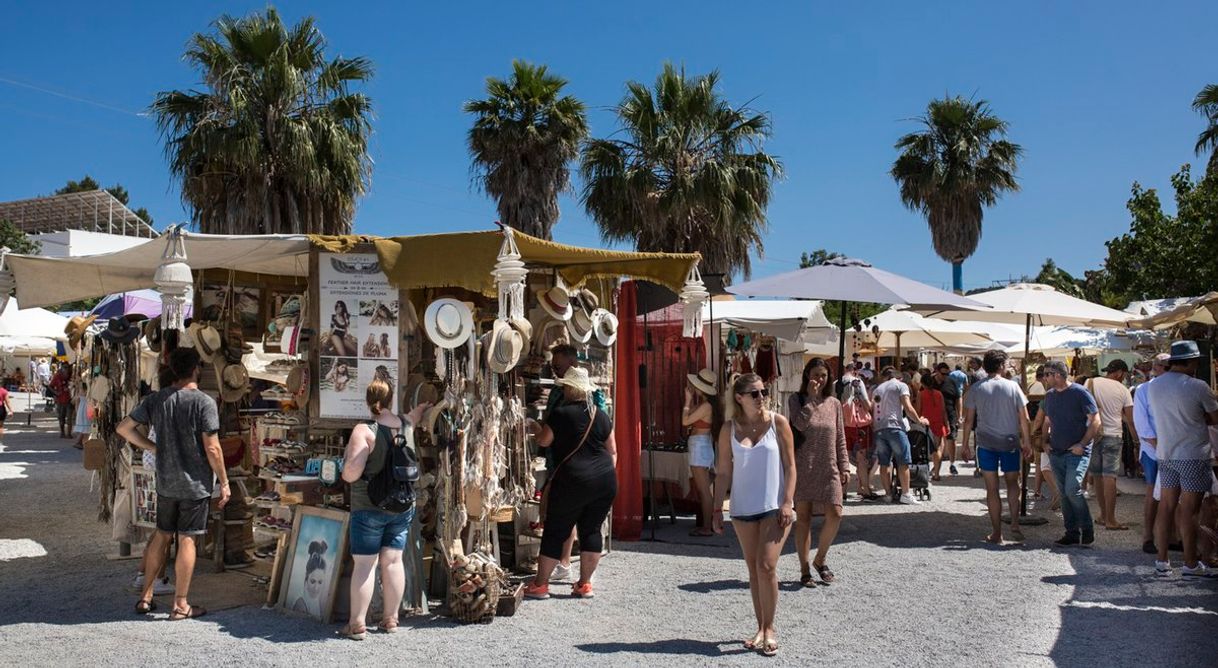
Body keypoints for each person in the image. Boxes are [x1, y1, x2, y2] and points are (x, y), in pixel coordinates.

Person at [116, 347, 228, 620]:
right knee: (187, 538)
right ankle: (180, 604)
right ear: (196, 369)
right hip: (194, 483)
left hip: (166, 480)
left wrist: (153, 447)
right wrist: (224, 481)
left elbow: (123, 428)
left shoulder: (156, 399)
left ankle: (146, 596)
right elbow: (212, 448)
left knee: (162, 534)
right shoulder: (204, 402)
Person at [711, 373, 797, 657]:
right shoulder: (728, 428)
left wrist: (788, 501)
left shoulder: (778, 422)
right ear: (739, 397)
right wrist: (714, 509)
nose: (762, 397)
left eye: (764, 391)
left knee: (767, 566)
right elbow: (723, 472)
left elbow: (791, 466)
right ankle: (760, 627)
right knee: (753, 569)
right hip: (742, 507)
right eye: (755, 393)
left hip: (775, 506)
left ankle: (770, 629)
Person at [339, 378, 429, 638]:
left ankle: (357, 624)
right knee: (392, 561)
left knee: (365, 564)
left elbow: (351, 474)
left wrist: (341, 466)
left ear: (368, 401)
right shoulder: (406, 426)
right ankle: (390, 619)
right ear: (391, 400)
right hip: (401, 506)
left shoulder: (364, 430)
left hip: (368, 507)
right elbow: (413, 416)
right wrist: (423, 407)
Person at [525, 367, 618, 600]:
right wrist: (601, 474)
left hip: (572, 479)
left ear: (569, 388)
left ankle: (541, 585)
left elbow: (545, 441)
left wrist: (536, 428)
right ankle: (585, 584)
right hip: (604, 478)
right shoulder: (600, 414)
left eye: (564, 386)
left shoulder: (561, 413)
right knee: (592, 530)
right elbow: (613, 451)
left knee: (556, 529)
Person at [1145, 341, 1218, 578]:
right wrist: (1200, 418)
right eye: (1196, 360)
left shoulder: (1154, 386)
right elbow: (1215, 417)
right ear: (1189, 361)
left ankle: (1162, 560)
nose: (1198, 364)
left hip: (1166, 453)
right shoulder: (1198, 386)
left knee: (1166, 507)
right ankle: (1190, 563)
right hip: (1193, 454)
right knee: (1190, 511)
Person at [961, 351, 1033, 544]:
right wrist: (1027, 442)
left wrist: (966, 444)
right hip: (1009, 441)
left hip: (985, 443)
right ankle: (1015, 524)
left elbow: (968, 420)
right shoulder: (1013, 387)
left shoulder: (976, 388)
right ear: (1001, 365)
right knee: (1012, 484)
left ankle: (996, 533)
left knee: (991, 489)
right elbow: (1024, 418)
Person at [788, 359, 849, 587]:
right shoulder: (796, 400)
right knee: (803, 518)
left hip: (829, 466)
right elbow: (798, 425)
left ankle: (820, 559)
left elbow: (840, 438)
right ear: (806, 375)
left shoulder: (834, 403)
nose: (820, 380)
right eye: (815, 375)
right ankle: (804, 568)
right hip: (804, 465)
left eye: (823, 375)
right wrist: (811, 400)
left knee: (836, 513)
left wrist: (844, 465)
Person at [1035, 360, 1100, 547]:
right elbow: (1047, 421)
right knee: (1064, 493)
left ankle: (1087, 528)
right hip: (1056, 451)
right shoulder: (1049, 396)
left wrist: (1082, 444)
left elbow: (1095, 421)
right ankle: (1071, 532)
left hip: (1077, 451)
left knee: (1072, 489)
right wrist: (1045, 442)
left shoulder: (1080, 393)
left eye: (1047, 374)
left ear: (1057, 375)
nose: (1044, 377)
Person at [1085, 360, 1138, 531]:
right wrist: (1137, 442)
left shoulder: (1091, 382)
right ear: (1120, 373)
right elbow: (1130, 420)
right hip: (1114, 435)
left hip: (1094, 434)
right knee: (1110, 477)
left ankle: (1102, 514)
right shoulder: (1123, 390)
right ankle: (1111, 519)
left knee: (1097, 476)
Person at [872, 367, 930, 505]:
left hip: (879, 429)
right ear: (900, 377)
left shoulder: (877, 389)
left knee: (884, 463)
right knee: (903, 462)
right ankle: (905, 494)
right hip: (895, 427)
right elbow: (908, 407)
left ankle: (887, 494)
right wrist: (919, 421)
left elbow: (873, 409)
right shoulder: (901, 386)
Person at [1133, 353, 1172, 554]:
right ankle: (1148, 536)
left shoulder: (1177, 387)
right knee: (1153, 492)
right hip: (1153, 449)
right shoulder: (1143, 390)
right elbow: (1142, 423)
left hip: (1175, 448)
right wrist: (1157, 445)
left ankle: (1172, 536)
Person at [683, 369, 722, 537]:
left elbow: (685, 421)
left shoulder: (706, 406)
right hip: (701, 445)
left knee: (704, 491)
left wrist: (687, 401)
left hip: (699, 446)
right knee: (705, 490)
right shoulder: (707, 404)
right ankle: (709, 524)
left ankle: (707, 527)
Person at [841, 368, 878, 500]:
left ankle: (843, 491)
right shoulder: (857, 382)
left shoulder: (836, 383)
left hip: (844, 425)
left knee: (843, 458)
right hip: (860, 425)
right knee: (862, 458)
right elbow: (867, 405)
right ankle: (865, 489)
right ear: (854, 371)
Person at [935, 363, 964, 476]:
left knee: (951, 438)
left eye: (947, 373)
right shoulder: (930, 382)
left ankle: (952, 463)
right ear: (936, 371)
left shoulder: (951, 382)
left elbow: (958, 398)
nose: (945, 376)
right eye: (943, 374)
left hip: (950, 413)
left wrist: (960, 414)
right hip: (935, 415)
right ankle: (937, 464)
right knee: (937, 441)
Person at [920, 373, 949, 482]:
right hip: (939, 423)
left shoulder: (921, 394)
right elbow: (943, 410)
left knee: (931, 450)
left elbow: (918, 410)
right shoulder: (939, 394)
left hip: (926, 424)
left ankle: (931, 472)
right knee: (939, 448)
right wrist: (947, 424)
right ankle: (937, 473)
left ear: (923, 383)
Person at [293, 540, 329, 618]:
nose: (316, 588)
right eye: (312, 581)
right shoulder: (301, 604)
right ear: (306, 579)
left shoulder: (317, 604)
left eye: (320, 582)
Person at [50, 363, 72, 439]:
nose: (66, 369)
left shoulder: (71, 375)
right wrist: (56, 393)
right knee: (61, 417)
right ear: (62, 369)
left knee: (69, 417)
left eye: (67, 368)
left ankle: (69, 433)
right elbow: (50, 386)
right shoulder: (57, 376)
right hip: (60, 400)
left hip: (70, 400)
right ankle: (62, 432)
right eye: (65, 368)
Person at [0, 381, 11, 445]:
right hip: (1, 409)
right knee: (0, 426)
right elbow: (7, 402)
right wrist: (11, 410)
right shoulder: (4, 391)